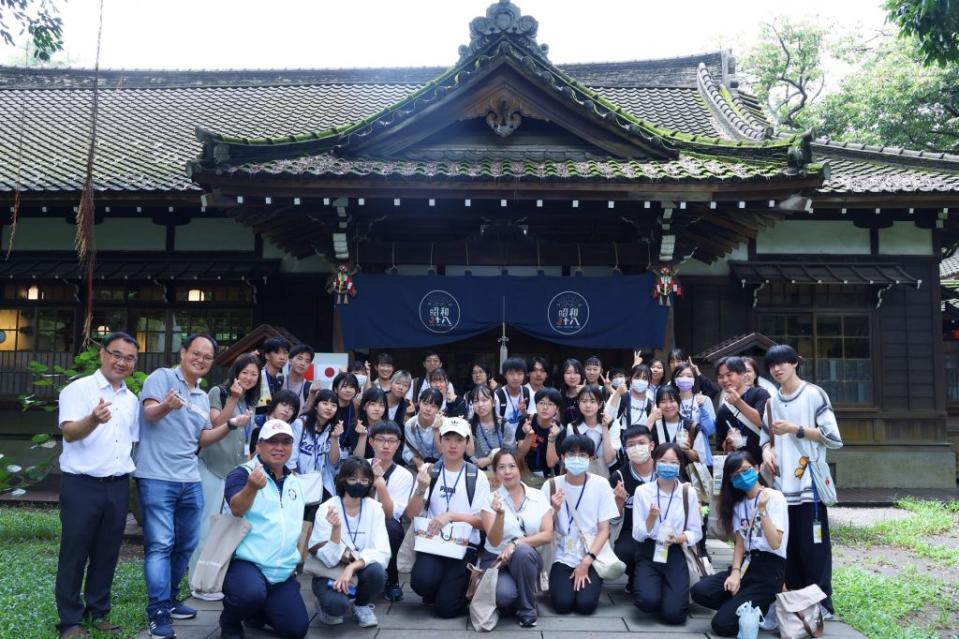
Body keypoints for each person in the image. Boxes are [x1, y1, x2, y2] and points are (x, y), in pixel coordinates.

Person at [136, 333, 233, 639]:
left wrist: (230, 425)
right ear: (183, 352)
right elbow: (148, 415)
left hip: (189, 478)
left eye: (207, 357)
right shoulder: (162, 377)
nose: (201, 360)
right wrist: (166, 405)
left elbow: (202, 438)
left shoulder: (202, 397)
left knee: (187, 543)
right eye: (196, 353)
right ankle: (158, 611)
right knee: (161, 545)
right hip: (156, 477)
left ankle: (173, 598)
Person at [55, 332, 140, 639]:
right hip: (82, 485)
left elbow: (132, 442)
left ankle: (99, 611)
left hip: (117, 485)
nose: (122, 362)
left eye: (129, 358)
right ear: (103, 354)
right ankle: (69, 622)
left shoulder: (131, 400)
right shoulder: (79, 390)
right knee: (74, 553)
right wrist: (93, 419)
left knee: (107, 553)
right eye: (116, 354)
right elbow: (70, 433)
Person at [762, 344, 842, 616]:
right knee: (790, 544)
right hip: (782, 485)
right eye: (772, 365)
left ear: (795, 363)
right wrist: (767, 452)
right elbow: (765, 438)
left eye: (783, 362)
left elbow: (833, 438)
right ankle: (796, 600)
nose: (777, 369)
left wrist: (795, 429)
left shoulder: (813, 395)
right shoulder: (771, 402)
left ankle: (822, 602)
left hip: (808, 485)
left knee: (814, 545)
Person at [220, 419, 309, 639]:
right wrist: (251, 487)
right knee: (249, 594)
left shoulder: (293, 481)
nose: (279, 448)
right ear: (259, 445)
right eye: (272, 442)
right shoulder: (241, 474)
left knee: (296, 630)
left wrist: (293, 559)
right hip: (246, 563)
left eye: (285, 442)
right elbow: (236, 508)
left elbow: (294, 525)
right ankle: (230, 621)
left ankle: (256, 612)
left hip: (281, 570)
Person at [691, 452, 788, 636]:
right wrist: (735, 573)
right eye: (736, 475)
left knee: (722, 625)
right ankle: (744, 606)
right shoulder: (739, 504)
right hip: (747, 565)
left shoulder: (775, 498)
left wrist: (762, 510)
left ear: (757, 468)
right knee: (699, 591)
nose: (742, 476)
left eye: (746, 470)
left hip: (769, 569)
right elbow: (740, 544)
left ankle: (765, 606)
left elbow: (775, 543)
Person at [190, 353, 260, 601]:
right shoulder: (218, 393)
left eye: (254, 374)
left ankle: (216, 578)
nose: (249, 377)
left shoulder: (250, 402)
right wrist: (233, 397)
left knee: (226, 529)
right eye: (245, 372)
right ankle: (197, 584)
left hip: (235, 473)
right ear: (235, 372)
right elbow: (216, 423)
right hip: (212, 468)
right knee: (205, 527)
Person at [406, 418, 491, 618]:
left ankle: (456, 588)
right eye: (448, 439)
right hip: (433, 543)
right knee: (420, 582)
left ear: (467, 443)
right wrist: (420, 488)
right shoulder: (429, 471)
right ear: (440, 442)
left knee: (447, 609)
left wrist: (451, 516)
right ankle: (440, 586)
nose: (453, 445)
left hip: (464, 546)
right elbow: (411, 514)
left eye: (459, 440)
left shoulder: (477, 476)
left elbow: (483, 523)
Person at [309, 458, 391, 628]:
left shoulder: (375, 508)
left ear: (370, 483)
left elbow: (383, 552)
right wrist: (336, 529)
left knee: (377, 572)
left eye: (364, 480)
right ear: (343, 481)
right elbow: (328, 559)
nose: (358, 484)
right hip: (330, 571)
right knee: (336, 607)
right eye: (353, 479)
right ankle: (325, 605)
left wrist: (352, 567)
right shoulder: (327, 508)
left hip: (358, 568)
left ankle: (361, 605)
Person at [542, 434, 618, 615]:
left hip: (591, 553)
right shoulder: (551, 485)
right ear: (562, 457)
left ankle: (589, 579)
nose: (576, 459)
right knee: (562, 604)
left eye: (582, 455)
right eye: (571, 454)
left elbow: (604, 530)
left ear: (591, 458)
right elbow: (543, 529)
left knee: (586, 605)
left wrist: (587, 560)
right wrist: (554, 509)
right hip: (561, 554)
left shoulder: (601, 485)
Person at [480, 449, 554, 628]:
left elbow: (547, 534)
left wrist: (515, 543)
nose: (507, 472)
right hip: (497, 560)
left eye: (512, 466)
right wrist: (499, 515)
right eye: (501, 467)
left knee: (521, 551)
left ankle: (527, 609)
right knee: (505, 595)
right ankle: (519, 596)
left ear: (520, 468)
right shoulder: (490, 499)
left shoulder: (537, 496)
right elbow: (495, 541)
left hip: (527, 558)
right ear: (495, 472)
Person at [631, 442, 702, 625]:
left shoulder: (688, 492)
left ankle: (668, 592)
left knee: (674, 615)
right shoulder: (643, 492)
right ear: (655, 462)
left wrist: (678, 538)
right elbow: (638, 535)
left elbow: (696, 532)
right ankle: (651, 587)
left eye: (673, 462)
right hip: (649, 549)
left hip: (675, 549)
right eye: (663, 461)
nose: (668, 466)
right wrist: (652, 518)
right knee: (647, 602)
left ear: (680, 465)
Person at [367, 421, 415, 602]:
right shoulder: (360, 467)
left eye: (391, 441)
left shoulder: (404, 475)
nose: (386, 445)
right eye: (380, 440)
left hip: (384, 522)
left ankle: (392, 581)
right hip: (357, 520)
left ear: (398, 444)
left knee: (393, 528)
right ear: (371, 442)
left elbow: (390, 514)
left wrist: (379, 484)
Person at [608, 426, 657, 595]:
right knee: (624, 550)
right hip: (631, 531)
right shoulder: (618, 477)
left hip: (662, 529)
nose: (637, 448)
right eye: (631, 445)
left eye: (641, 443)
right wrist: (619, 501)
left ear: (652, 445)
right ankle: (634, 576)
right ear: (625, 449)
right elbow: (612, 519)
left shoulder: (664, 470)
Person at [547, 385, 618, 478]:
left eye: (592, 401)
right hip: (581, 473)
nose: (588, 405)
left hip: (609, 474)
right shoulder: (572, 427)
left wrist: (605, 428)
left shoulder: (613, 424)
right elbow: (571, 456)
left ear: (600, 404)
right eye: (583, 401)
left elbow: (609, 459)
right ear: (578, 403)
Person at [715, 356, 770, 464]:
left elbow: (761, 421)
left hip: (764, 462)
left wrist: (738, 402)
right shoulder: (723, 409)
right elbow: (721, 442)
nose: (725, 380)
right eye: (720, 377)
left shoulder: (760, 394)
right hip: (738, 469)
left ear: (742, 374)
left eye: (729, 375)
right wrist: (728, 441)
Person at [672, 362, 717, 471]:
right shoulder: (671, 402)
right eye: (681, 376)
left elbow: (710, 430)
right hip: (674, 455)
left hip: (700, 455)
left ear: (694, 380)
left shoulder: (705, 400)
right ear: (675, 380)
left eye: (689, 376)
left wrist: (701, 407)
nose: (685, 379)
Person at [515, 388, 564, 481]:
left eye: (550, 404)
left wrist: (552, 439)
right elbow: (520, 454)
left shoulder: (560, 430)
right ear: (536, 405)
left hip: (549, 476)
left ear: (557, 409)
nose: (545, 407)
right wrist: (529, 435)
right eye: (541, 403)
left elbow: (551, 463)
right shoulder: (527, 420)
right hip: (526, 473)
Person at [469, 384, 516, 470]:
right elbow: (468, 453)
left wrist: (489, 459)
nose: (480, 404)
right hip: (476, 471)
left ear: (494, 403)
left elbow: (511, 450)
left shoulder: (503, 425)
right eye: (476, 401)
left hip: (501, 471)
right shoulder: (469, 426)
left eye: (484, 400)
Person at [249, 390, 301, 456]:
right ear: (275, 403)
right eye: (284, 405)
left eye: (292, 409)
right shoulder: (256, 423)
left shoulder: (289, 431)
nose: (287, 410)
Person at [403, 388, 444, 467]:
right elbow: (409, 450)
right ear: (419, 402)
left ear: (439, 409)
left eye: (433, 406)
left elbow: (445, 452)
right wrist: (421, 465)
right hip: (418, 464)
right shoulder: (410, 425)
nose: (428, 409)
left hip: (442, 465)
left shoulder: (445, 424)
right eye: (425, 404)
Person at [256, 336, 290, 414]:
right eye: (277, 352)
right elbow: (261, 409)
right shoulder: (260, 377)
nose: (282, 357)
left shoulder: (279, 379)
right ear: (267, 355)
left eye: (285, 353)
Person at [495, 357, 530, 432]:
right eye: (511, 374)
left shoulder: (527, 392)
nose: (515, 378)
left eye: (519, 374)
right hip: (504, 440)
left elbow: (531, 419)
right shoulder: (498, 396)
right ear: (505, 375)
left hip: (521, 439)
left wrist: (524, 411)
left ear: (524, 375)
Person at [331, 372, 363, 455]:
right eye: (344, 386)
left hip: (349, 453)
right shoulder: (330, 407)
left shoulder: (356, 406)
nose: (348, 390)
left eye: (352, 387)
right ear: (335, 389)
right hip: (329, 450)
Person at [282, 344, 314, 412]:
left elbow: (307, 414)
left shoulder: (310, 388)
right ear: (290, 360)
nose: (303, 363)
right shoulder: (279, 381)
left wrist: (312, 394)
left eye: (307, 361)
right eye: (300, 358)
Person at [557, 358, 585, 424]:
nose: (572, 377)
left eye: (576, 372)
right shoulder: (559, 395)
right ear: (563, 375)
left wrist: (583, 396)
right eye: (568, 373)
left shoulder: (589, 394)